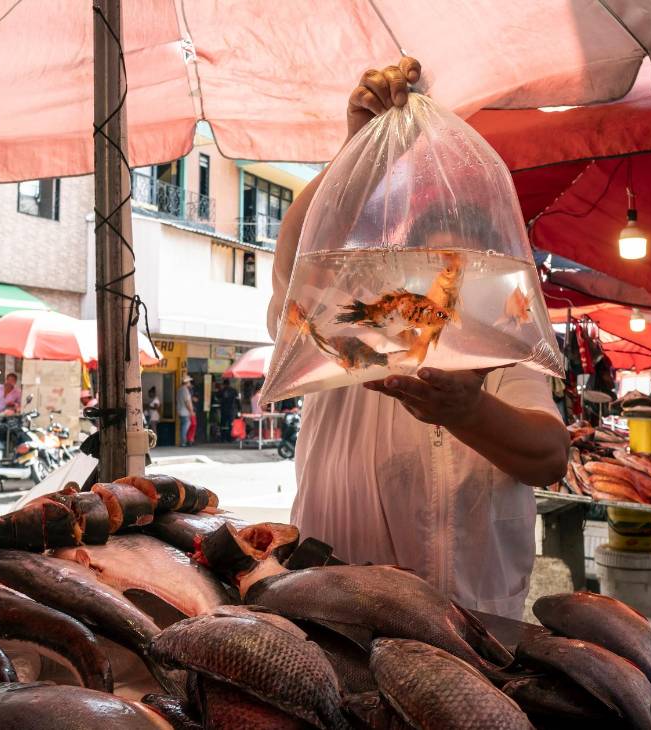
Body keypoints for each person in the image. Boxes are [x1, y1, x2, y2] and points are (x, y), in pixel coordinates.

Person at [265, 57, 569, 619]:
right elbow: (297, 259)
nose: (449, 284)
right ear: (399, 267)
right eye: (435, 264)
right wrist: (358, 151)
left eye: (465, 268)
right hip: (339, 615)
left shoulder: (501, 340)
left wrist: (468, 410)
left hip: (478, 625)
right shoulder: (351, 324)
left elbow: (549, 457)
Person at [177, 375, 195, 447]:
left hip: (180, 411)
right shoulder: (185, 390)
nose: (190, 383)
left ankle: (182, 441)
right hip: (185, 412)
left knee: (182, 427)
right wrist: (191, 411)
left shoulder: (179, 390)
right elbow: (187, 402)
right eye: (189, 382)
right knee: (185, 427)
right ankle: (183, 442)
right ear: (186, 382)